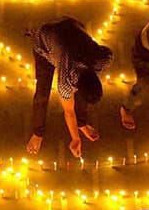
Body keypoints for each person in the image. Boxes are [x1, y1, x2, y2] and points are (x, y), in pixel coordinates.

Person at [25, 17, 113, 158]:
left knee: (82, 94)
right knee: (42, 91)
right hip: (45, 41)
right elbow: (69, 112)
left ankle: (82, 123)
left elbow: (108, 52)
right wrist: (75, 139)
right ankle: (38, 132)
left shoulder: (102, 59)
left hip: (72, 25)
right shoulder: (66, 81)